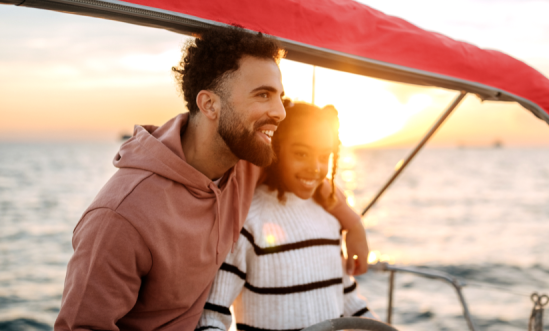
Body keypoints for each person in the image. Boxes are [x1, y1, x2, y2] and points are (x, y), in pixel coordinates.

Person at [55, 26, 369, 331]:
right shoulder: (121, 217)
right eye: (263, 95)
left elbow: (302, 174)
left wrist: (352, 223)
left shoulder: (247, 160)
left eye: (279, 96)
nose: (280, 112)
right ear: (209, 105)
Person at [197, 102, 375, 331]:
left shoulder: (329, 218)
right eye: (301, 153)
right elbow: (211, 317)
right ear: (277, 150)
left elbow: (347, 299)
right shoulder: (249, 220)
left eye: (323, 156)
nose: (314, 167)